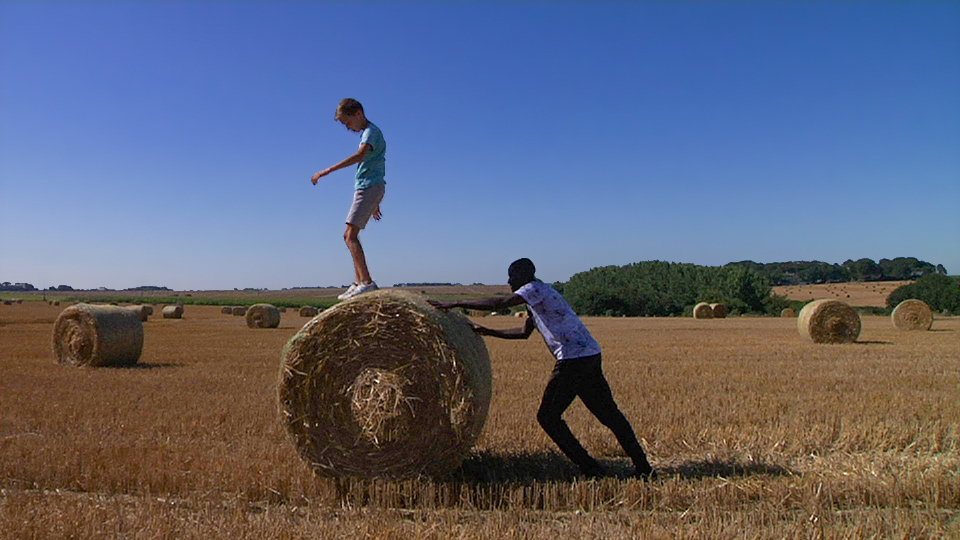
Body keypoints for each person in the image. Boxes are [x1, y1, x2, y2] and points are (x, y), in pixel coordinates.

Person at [428, 258, 655, 479]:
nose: (509, 281)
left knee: (548, 417)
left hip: (573, 359)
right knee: (609, 414)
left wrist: (455, 303)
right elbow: (523, 333)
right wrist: (488, 331)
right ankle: (643, 467)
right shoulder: (538, 298)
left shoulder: (534, 289)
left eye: (512, 276)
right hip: (589, 355)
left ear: (526, 274)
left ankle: (591, 468)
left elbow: (498, 303)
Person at [312, 98, 386, 300]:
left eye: (347, 122)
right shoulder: (370, 132)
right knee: (348, 235)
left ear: (358, 114)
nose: (348, 128)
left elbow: (360, 156)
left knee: (350, 235)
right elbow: (378, 167)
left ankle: (367, 282)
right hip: (369, 188)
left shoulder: (371, 133)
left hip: (368, 188)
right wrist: (376, 202)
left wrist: (328, 170)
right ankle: (358, 282)